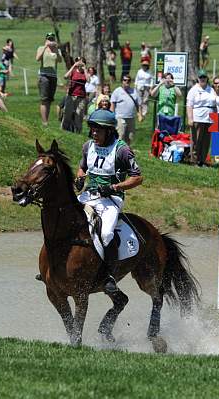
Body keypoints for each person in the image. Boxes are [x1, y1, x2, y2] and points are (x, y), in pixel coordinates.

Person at [75, 109, 142, 294]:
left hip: (111, 200)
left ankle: (109, 275)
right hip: (89, 195)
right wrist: (79, 178)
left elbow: (137, 178)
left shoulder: (122, 150)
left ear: (109, 130)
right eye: (92, 129)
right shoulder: (88, 146)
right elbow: (82, 168)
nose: (94, 133)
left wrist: (114, 187)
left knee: (105, 234)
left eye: (98, 130)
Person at [186, 69, 213, 167]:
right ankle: (194, 160)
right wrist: (190, 118)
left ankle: (202, 160)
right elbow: (189, 105)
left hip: (209, 119)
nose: (202, 79)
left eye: (204, 77)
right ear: (198, 78)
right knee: (196, 140)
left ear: (207, 78)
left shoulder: (211, 89)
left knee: (206, 141)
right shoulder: (194, 90)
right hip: (197, 118)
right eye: (201, 77)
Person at [36, 32, 63, 126]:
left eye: (52, 39)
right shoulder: (41, 48)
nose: (51, 41)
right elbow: (38, 58)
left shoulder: (56, 50)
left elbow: (60, 60)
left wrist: (56, 49)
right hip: (44, 76)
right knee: (44, 99)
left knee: (49, 100)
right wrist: (45, 47)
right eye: (49, 39)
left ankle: (46, 120)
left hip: (53, 76)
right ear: (46, 39)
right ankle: (44, 122)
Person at [110, 74, 141, 145]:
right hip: (120, 117)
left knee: (130, 137)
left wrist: (140, 114)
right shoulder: (117, 91)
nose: (127, 81)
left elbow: (138, 104)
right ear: (122, 81)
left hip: (131, 118)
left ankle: (126, 153)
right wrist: (111, 117)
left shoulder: (134, 91)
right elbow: (112, 105)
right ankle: (118, 152)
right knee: (120, 136)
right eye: (125, 80)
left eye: (129, 80)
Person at [62, 56, 88, 133]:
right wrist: (73, 65)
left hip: (81, 97)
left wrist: (85, 69)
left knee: (79, 114)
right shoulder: (73, 71)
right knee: (67, 113)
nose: (80, 63)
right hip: (71, 95)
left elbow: (88, 80)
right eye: (78, 61)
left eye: (81, 61)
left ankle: (78, 131)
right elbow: (65, 76)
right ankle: (64, 129)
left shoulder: (85, 72)